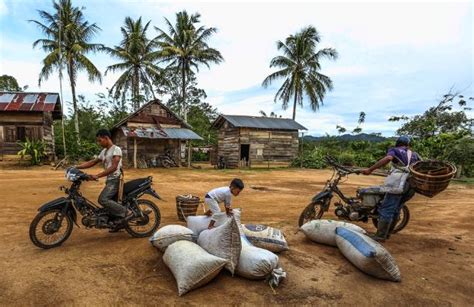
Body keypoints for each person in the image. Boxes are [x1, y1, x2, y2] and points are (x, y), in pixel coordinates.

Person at [362, 136, 420, 242]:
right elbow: (422, 166)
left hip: (398, 184)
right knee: (396, 209)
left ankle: (380, 235)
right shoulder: (415, 154)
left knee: (387, 209)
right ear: (408, 144)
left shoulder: (394, 150)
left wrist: (370, 169)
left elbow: (388, 158)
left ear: (397, 143)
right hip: (412, 185)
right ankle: (387, 233)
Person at [76, 129, 129, 224]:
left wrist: (97, 176)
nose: (98, 143)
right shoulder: (104, 151)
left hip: (115, 179)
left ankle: (126, 212)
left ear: (106, 138)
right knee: (108, 203)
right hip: (110, 180)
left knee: (103, 199)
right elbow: (93, 162)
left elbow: (114, 167)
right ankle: (115, 220)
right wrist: (76, 167)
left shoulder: (116, 149)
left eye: (100, 140)